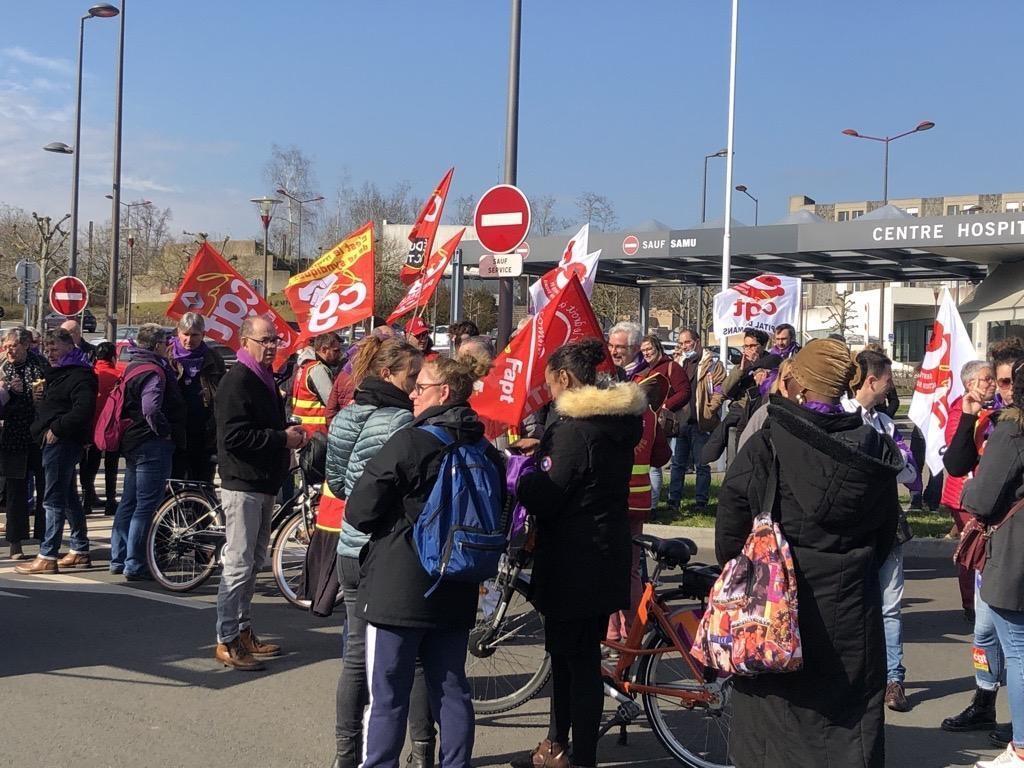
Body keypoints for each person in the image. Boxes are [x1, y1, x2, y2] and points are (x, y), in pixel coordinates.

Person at [715, 338, 903, 768]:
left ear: (798, 387)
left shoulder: (767, 445)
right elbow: (885, 532)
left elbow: (730, 533)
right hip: (851, 607)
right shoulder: (871, 450)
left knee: (773, 728)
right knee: (846, 723)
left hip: (774, 610)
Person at [346, 352, 501, 768]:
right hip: (458, 579)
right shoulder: (485, 448)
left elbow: (359, 509)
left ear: (444, 393)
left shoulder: (412, 441)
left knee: (388, 693)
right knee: (451, 688)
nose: (413, 394)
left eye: (421, 387)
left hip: (400, 583)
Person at [515, 339, 645, 768]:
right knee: (577, 656)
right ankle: (559, 745)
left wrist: (522, 476)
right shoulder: (616, 420)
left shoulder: (573, 429)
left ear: (565, 380)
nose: (550, 393)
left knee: (576, 662)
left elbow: (549, 495)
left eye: (551, 384)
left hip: (574, 557)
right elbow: (585, 471)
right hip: (604, 550)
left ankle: (576, 754)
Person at [324, 337, 429, 768]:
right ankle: (422, 751)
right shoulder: (404, 422)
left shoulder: (348, 414)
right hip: (386, 549)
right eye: (412, 376)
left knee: (354, 657)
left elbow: (338, 482)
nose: (417, 385)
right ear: (389, 375)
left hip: (349, 542)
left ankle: (344, 755)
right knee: (414, 656)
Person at [213, 316, 308, 670]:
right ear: (246, 342)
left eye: (274, 341)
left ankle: (243, 629)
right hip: (243, 484)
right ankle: (227, 639)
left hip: (263, 481)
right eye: (264, 340)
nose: (271, 347)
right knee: (238, 565)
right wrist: (282, 438)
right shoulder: (237, 380)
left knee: (253, 563)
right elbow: (234, 437)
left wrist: (287, 431)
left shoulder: (262, 378)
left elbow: (260, 428)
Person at [942, 344, 1024, 746]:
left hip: (1011, 541)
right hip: (991, 542)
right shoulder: (989, 420)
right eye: (998, 380)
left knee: (1016, 644)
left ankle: (1020, 728)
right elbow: (956, 465)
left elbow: (983, 491)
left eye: (1007, 381)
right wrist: (970, 416)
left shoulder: (1015, 427)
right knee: (985, 633)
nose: (1003, 388)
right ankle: (983, 701)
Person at [842, 349, 920, 713]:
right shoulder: (840, 418)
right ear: (871, 380)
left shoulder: (886, 424)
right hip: (852, 530)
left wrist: (894, 456)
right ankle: (854, 679)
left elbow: (909, 473)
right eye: (888, 381)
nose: (892, 389)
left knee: (889, 608)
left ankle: (893, 680)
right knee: (851, 606)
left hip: (887, 527)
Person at [962, 359, 1024, 768]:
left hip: (1015, 548)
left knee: (1017, 651)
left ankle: (1020, 749)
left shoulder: (1012, 430)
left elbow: (981, 499)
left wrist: (971, 490)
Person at [15, 328, 98, 575]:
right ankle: (80, 549)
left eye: (55, 349)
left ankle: (48, 554)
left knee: (52, 499)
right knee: (69, 495)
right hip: (51, 439)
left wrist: (58, 429)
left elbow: (83, 409)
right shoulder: (56, 374)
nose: (50, 354)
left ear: (70, 347)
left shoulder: (80, 375)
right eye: (47, 349)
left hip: (62, 442)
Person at [110, 325, 186, 580]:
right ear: (156, 346)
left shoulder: (134, 366)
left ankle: (118, 557)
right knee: (146, 505)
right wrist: (164, 431)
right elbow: (151, 408)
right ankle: (135, 562)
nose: (169, 345)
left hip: (133, 441)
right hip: (150, 443)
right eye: (166, 341)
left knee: (129, 502)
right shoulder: (154, 371)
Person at [0, 327, 47, 559]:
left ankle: (45, 540)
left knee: (44, 487)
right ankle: (15, 542)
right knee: (15, 492)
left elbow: (52, 392)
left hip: (38, 435)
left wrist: (41, 396)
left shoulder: (40, 364)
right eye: (6, 346)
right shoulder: (2, 368)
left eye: (13, 346)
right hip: (13, 436)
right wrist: (12, 393)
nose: (9, 351)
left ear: (25, 345)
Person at [669, 329, 725, 512]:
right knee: (678, 463)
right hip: (681, 421)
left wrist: (710, 410)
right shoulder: (680, 362)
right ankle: (673, 500)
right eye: (682, 343)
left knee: (702, 464)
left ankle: (701, 501)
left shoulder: (711, 363)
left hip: (701, 421)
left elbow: (719, 389)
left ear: (697, 341)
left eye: (688, 342)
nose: (685, 347)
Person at [169, 313, 225, 483]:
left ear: (203, 335)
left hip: (205, 431)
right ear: (178, 333)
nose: (189, 340)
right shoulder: (167, 356)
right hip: (175, 431)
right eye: (185, 334)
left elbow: (221, 393)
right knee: (175, 482)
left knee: (202, 481)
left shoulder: (214, 358)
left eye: (194, 335)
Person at [636, 334, 689, 508]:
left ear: (658, 347)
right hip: (645, 422)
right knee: (647, 463)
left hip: (660, 422)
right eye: (643, 350)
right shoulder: (645, 369)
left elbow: (684, 391)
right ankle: (649, 503)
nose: (646, 353)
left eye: (649, 349)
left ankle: (652, 505)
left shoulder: (672, 367)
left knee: (654, 464)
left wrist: (666, 405)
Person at [79, 341, 122, 516]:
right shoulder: (119, 375)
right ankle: (110, 501)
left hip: (90, 426)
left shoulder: (90, 373)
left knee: (89, 465)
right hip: (111, 425)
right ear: (113, 357)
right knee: (111, 465)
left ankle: (86, 501)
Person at [292, 332, 343, 436]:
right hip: (316, 432)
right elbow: (331, 402)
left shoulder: (305, 366)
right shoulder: (317, 369)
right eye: (336, 351)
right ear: (324, 350)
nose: (339, 354)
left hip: (304, 430)